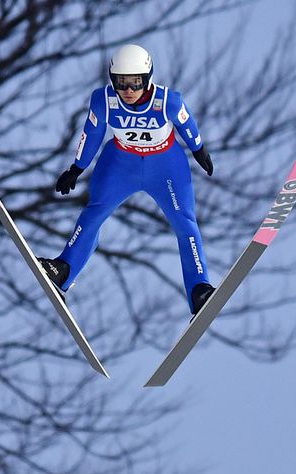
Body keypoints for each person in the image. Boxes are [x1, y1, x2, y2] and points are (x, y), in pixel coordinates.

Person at [38, 44, 217, 314]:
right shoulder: (103, 100)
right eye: (121, 83)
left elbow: (187, 123)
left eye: (135, 83)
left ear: (147, 78)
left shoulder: (167, 101)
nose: (129, 91)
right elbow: (92, 134)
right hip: (121, 163)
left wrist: (199, 150)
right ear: (112, 80)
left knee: (185, 223)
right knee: (94, 213)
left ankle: (199, 289)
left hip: (165, 165)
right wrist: (76, 168)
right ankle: (64, 269)